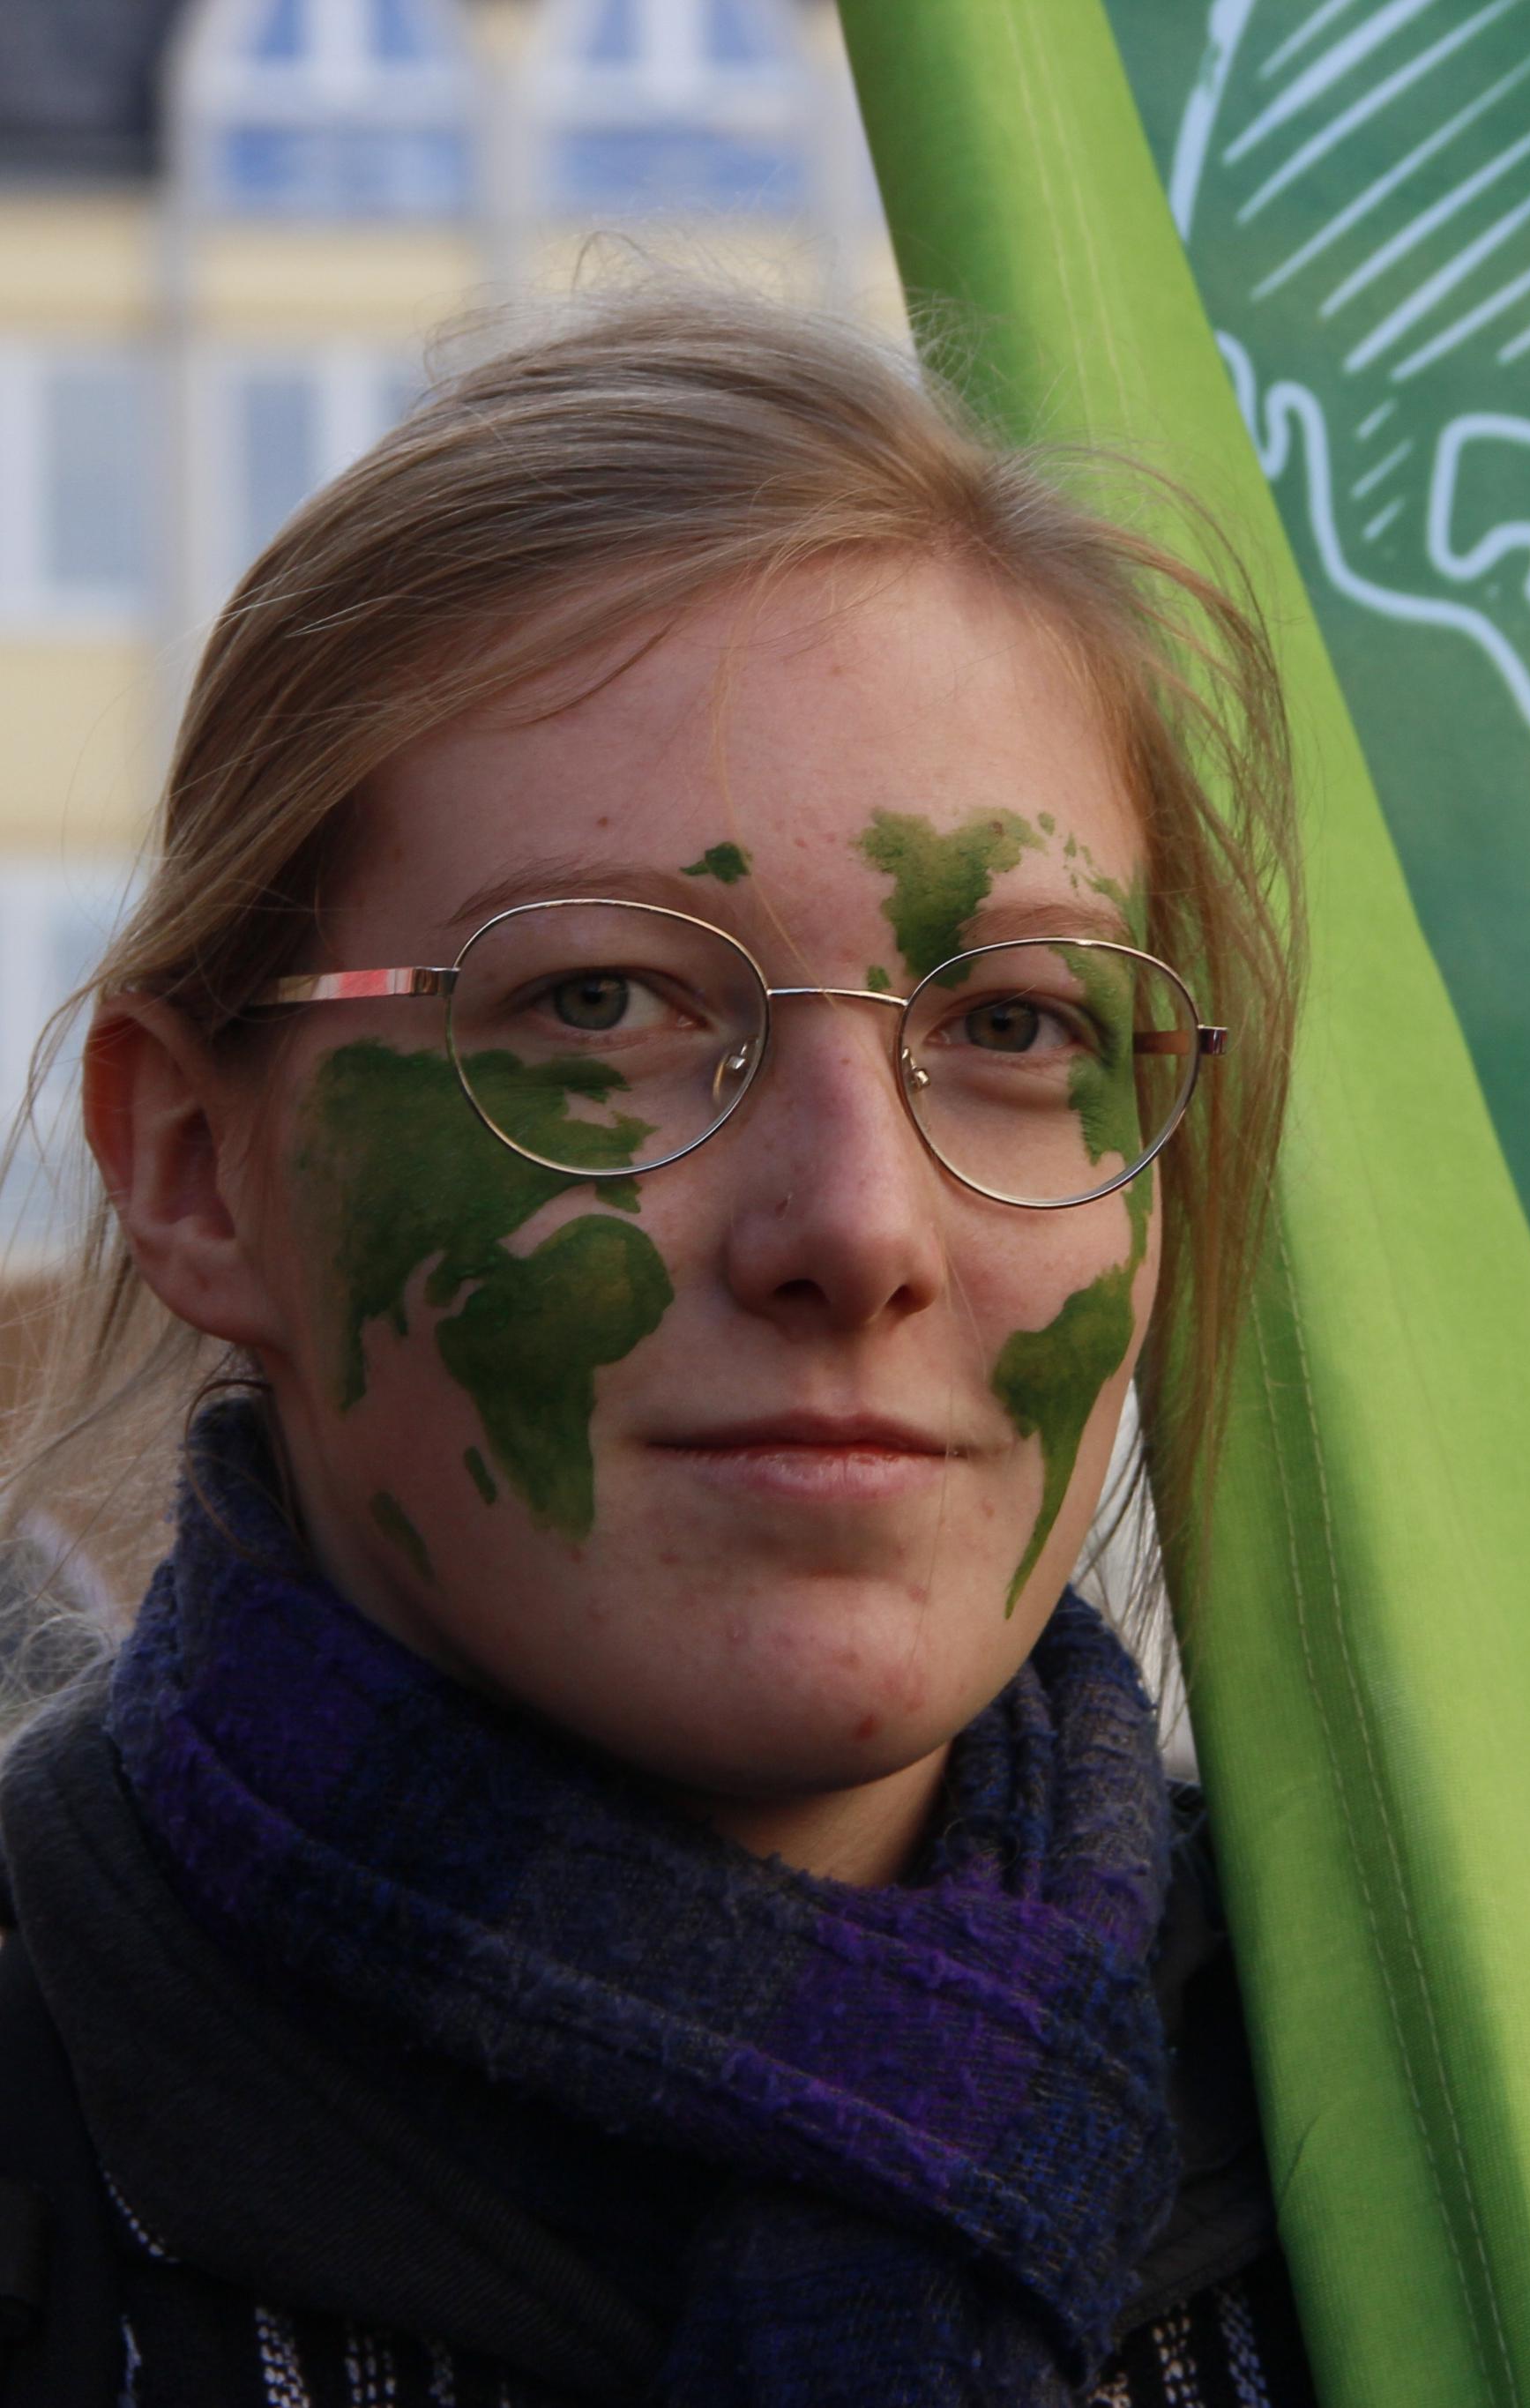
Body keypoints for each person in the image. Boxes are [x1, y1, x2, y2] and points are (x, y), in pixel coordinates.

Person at [0, 287, 1313, 2407]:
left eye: (1013, 1028)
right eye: (602, 1006)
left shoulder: (1473, 2174)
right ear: (193, 1164)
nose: (857, 1230)